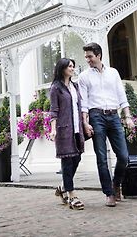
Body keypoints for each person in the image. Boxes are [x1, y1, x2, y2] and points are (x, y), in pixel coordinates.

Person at [78, 42, 135, 207]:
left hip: (114, 116)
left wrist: (128, 116)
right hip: (96, 117)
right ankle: (109, 193)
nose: (87, 60)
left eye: (90, 56)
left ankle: (116, 183)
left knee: (124, 156)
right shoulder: (84, 77)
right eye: (86, 57)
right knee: (102, 158)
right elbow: (84, 103)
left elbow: (121, 95)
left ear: (98, 55)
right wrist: (85, 123)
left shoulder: (113, 73)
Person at [49, 58, 85, 210]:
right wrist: (53, 129)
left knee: (77, 157)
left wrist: (85, 122)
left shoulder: (75, 86)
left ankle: (63, 187)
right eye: (69, 66)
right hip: (64, 129)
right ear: (62, 68)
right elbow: (54, 110)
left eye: (73, 66)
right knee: (67, 162)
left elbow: (80, 105)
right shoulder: (56, 88)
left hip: (77, 129)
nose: (72, 68)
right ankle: (72, 195)